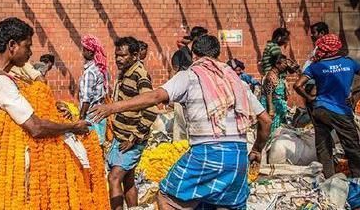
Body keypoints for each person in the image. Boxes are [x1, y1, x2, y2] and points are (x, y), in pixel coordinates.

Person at [91, 35, 272, 210]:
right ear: (217, 54)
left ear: (194, 55)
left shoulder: (190, 76)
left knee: (166, 198)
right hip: (238, 156)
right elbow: (265, 120)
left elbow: (155, 97)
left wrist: (112, 108)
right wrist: (256, 149)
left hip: (206, 154)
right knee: (222, 204)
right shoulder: (236, 81)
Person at [0, 17, 89, 138]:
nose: (30, 53)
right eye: (27, 46)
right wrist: (73, 127)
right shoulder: (0, 82)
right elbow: (36, 127)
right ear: (12, 45)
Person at [294, 33, 360, 178]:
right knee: (352, 146)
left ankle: (328, 178)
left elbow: (297, 85)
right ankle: (359, 178)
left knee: (323, 147)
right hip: (341, 111)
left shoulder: (316, 66)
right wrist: (354, 90)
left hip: (320, 110)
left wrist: (310, 98)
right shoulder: (349, 62)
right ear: (337, 47)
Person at [97, 36, 159, 210]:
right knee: (128, 178)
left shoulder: (140, 75)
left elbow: (151, 109)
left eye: (123, 56)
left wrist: (134, 138)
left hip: (131, 139)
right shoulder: (125, 72)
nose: (118, 59)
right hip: (121, 136)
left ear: (135, 55)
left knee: (114, 178)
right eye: (117, 55)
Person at [79, 35, 109, 144]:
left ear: (90, 52)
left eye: (84, 49)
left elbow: (86, 99)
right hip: (99, 114)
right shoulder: (100, 69)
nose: (82, 51)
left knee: (90, 148)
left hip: (90, 116)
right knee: (99, 146)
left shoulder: (90, 73)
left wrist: (81, 118)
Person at [261, 54, 298, 135]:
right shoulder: (271, 76)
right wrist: (271, 110)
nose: (286, 65)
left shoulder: (279, 73)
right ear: (277, 64)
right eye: (284, 63)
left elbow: (294, 69)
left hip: (279, 106)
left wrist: (290, 62)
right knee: (272, 130)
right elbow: (269, 94)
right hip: (272, 106)